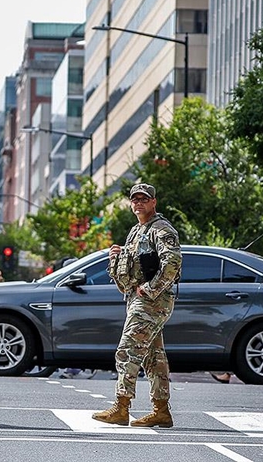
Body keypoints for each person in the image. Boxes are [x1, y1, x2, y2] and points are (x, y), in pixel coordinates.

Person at [92, 183, 182, 428]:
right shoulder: (136, 231)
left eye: (144, 199)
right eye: (135, 199)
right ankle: (161, 411)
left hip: (152, 301)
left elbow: (172, 262)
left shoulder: (161, 229)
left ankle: (121, 407)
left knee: (127, 349)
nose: (139, 203)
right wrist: (117, 257)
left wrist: (150, 290)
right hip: (138, 299)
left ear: (154, 202)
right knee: (153, 356)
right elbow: (131, 267)